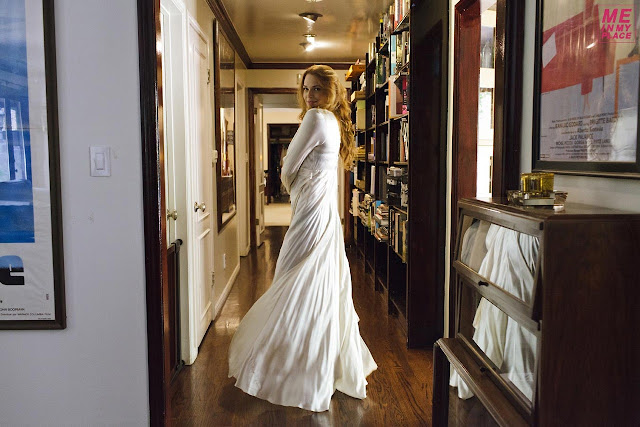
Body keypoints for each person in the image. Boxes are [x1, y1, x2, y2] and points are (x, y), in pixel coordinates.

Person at [227, 65, 377, 412]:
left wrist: (295, 190)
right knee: (317, 286)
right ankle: (313, 366)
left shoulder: (316, 118)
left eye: (317, 89)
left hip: (309, 214)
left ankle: (289, 367)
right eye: (306, 89)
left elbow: (287, 167)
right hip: (325, 215)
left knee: (291, 280)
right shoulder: (334, 122)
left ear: (331, 92)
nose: (310, 96)